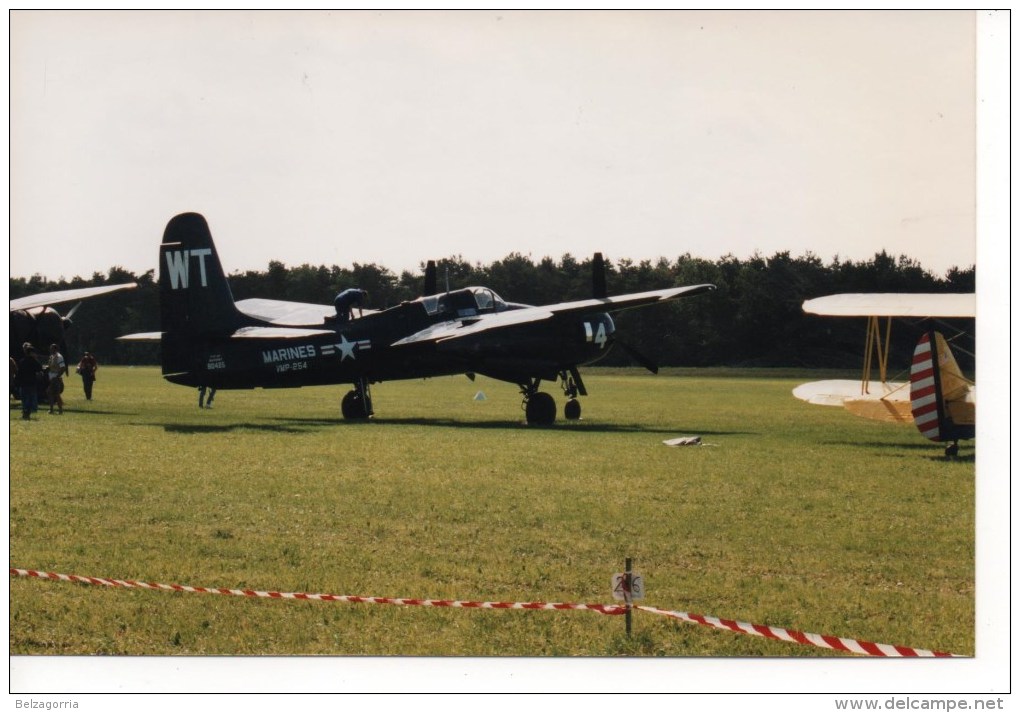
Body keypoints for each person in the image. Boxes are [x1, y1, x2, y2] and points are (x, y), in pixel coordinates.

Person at [15, 343, 43, 420]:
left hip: (23, 383)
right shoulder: (33, 361)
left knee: (24, 399)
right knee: (30, 399)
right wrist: (35, 358)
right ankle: (27, 413)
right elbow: (40, 368)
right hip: (31, 383)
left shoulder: (22, 361)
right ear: (31, 353)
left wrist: (17, 382)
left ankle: (25, 412)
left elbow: (19, 373)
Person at [45, 344, 67, 414]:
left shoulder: (59, 357)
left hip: (56, 378)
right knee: (53, 394)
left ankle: (57, 410)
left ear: (55, 349)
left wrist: (57, 377)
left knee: (50, 392)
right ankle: (55, 410)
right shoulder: (52, 356)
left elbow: (63, 368)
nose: (50, 350)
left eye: (52, 348)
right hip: (51, 378)